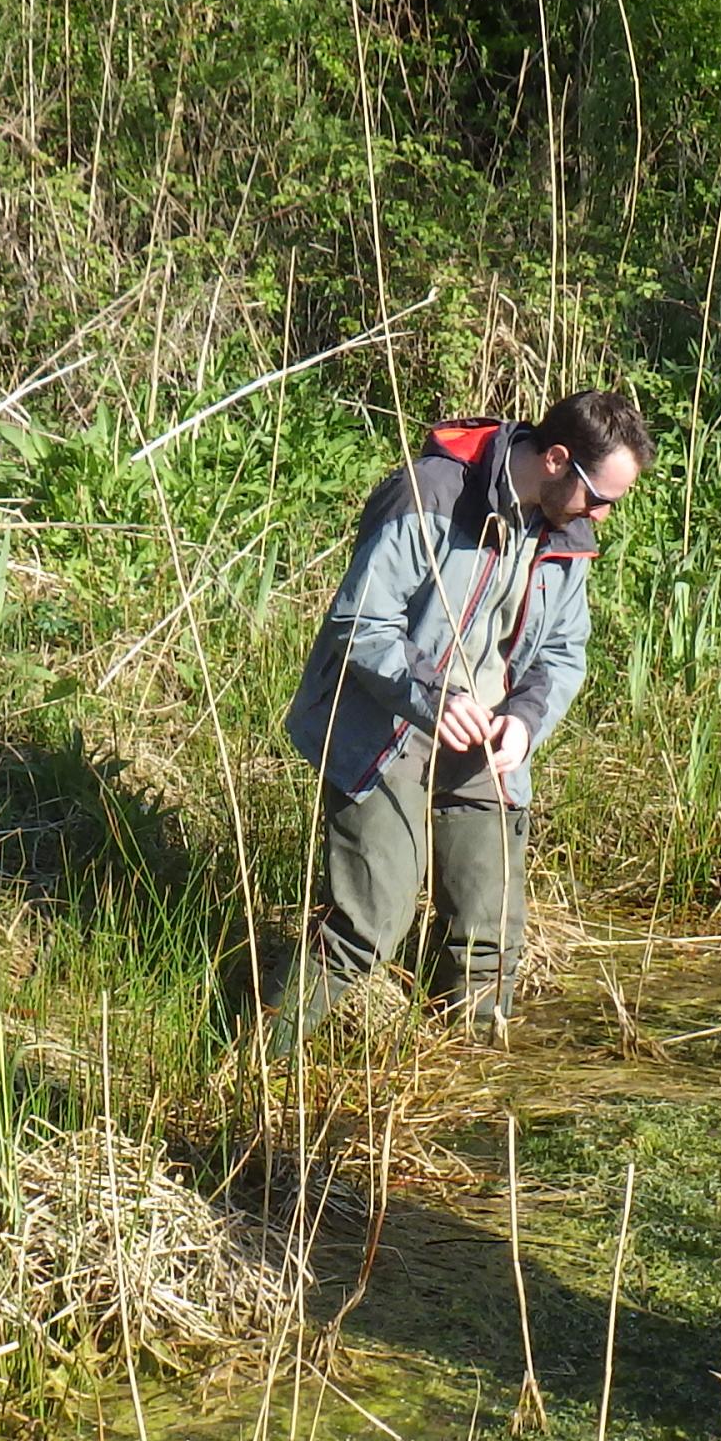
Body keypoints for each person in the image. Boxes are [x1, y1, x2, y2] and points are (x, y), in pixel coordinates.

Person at [259, 390, 650, 1053]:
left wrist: (525, 719)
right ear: (557, 459)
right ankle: (261, 1064)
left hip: (485, 743)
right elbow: (360, 625)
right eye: (600, 496)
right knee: (371, 924)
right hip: (384, 727)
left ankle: (472, 1088)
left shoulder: (566, 533)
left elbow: (562, 653)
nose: (604, 516)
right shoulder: (431, 495)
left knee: (490, 935)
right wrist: (434, 698)